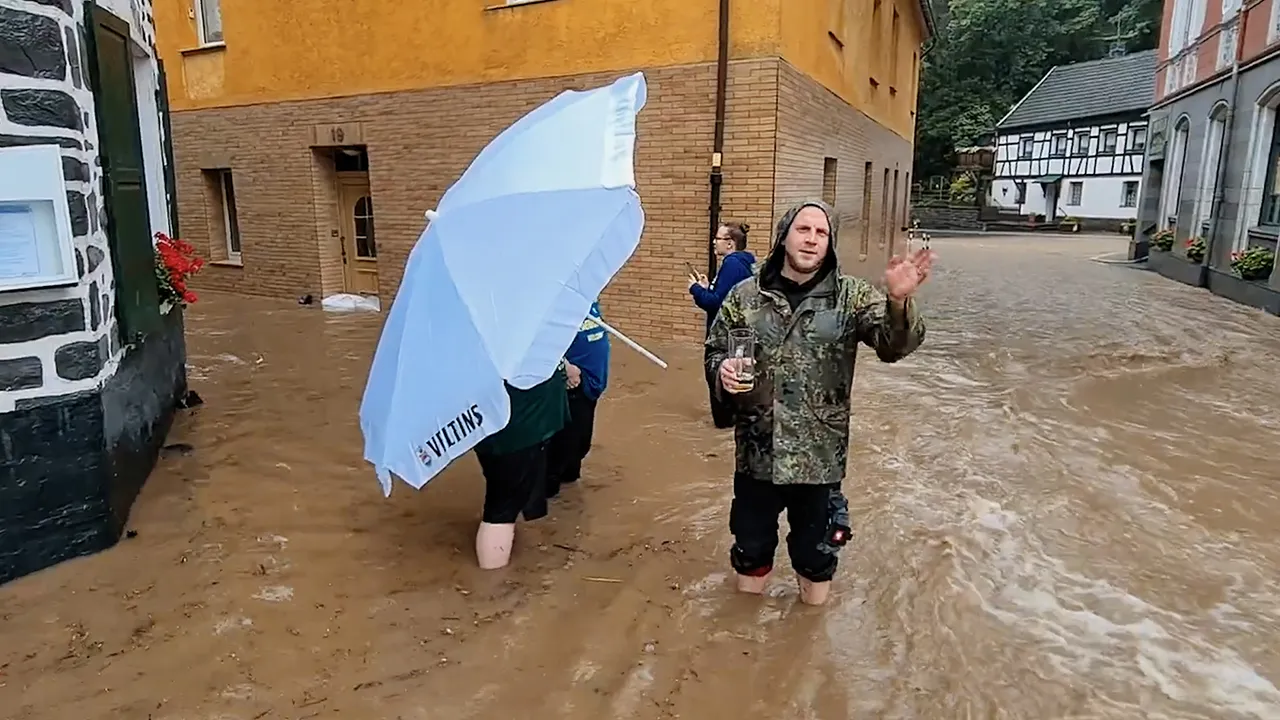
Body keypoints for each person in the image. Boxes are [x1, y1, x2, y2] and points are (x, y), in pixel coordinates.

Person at [705, 200, 933, 606]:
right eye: (803, 229)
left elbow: (893, 346)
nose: (812, 239)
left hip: (819, 461)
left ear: (830, 242)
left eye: (821, 232)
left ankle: (808, 632)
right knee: (750, 555)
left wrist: (898, 303)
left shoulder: (850, 296)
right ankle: (743, 634)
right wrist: (722, 370)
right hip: (757, 455)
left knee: (816, 561)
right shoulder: (745, 296)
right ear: (783, 236)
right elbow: (715, 349)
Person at [472, 365, 571, 570]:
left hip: (500, 427)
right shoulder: (511, 353)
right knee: (501, 512)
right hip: (516, 432)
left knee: (502, 501)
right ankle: (493, 578)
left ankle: (493, 573)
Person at [689, 222, 756, 429]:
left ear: (730, 243)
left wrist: (695, 289)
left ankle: (725, 424)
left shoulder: (732, 264)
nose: (713, 242)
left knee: (721, 387)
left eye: (717, 238)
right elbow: (725, 297)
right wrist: (706, 287)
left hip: (724, 339)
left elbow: (715, 304)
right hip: (738, 338)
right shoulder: (744, 263)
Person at [547, 301, 611, 498]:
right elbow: (538, 342)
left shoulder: (589, 299)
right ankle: (546, 493)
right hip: (573, 384)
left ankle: (569, 495)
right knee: (563, 446)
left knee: (580, 446)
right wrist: (564, 366)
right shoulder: (554, 303)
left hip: (592, 383)